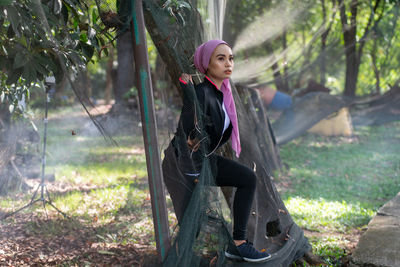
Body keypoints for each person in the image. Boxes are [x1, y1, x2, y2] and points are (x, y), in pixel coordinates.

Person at [162, 40, 271, 263]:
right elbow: (185, 137)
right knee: (192, 227)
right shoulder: (202, 93)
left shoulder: (223, 95)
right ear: (207, 64)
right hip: (181, 165)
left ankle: (239, 245)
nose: (228, 63)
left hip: (205, 161)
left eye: (230, 58)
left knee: (247, 178)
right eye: (220, 58)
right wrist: (192, 176)